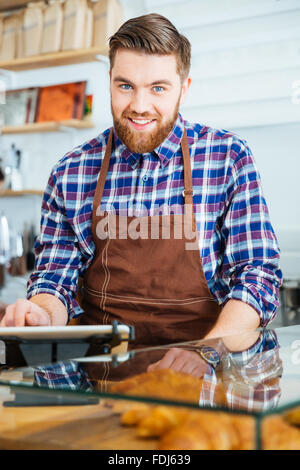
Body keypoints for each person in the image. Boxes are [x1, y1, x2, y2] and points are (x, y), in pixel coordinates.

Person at [0, 14, 282, 375]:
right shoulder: (70, 171)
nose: (140, 105)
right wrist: (40, 313)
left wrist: (207, 351)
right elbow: (55, 280)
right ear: (110, 82)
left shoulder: (228, 157)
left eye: (158, 88)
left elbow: (257, 275)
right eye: (126, 86)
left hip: (205, 378)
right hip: (103, 384)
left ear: (184, 86)